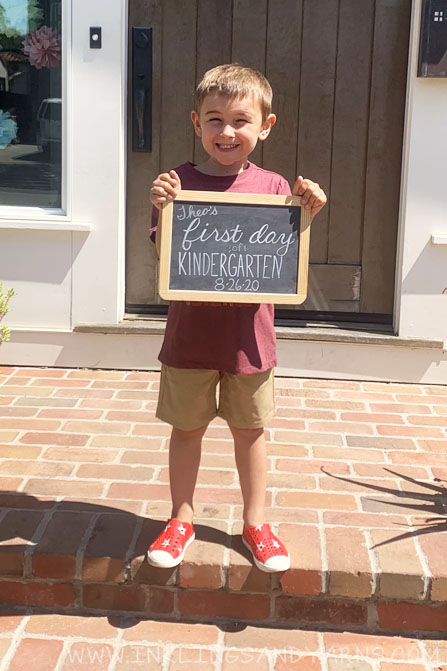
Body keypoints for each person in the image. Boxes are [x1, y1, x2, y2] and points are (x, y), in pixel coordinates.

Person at [147, 64, 327, 573]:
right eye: (214, 119)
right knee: (187, 429)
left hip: (250, 341)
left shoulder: (275, 188)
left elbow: (287, 252)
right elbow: (165, 253)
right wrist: (160, 207)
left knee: (250, 432)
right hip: (188, 339)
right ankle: (180, 518)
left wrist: (308, 208)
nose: (227, 132)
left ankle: (256, 522)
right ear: (195, 123)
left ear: (265, 125)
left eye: (241, 121)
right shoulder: (177, 184)